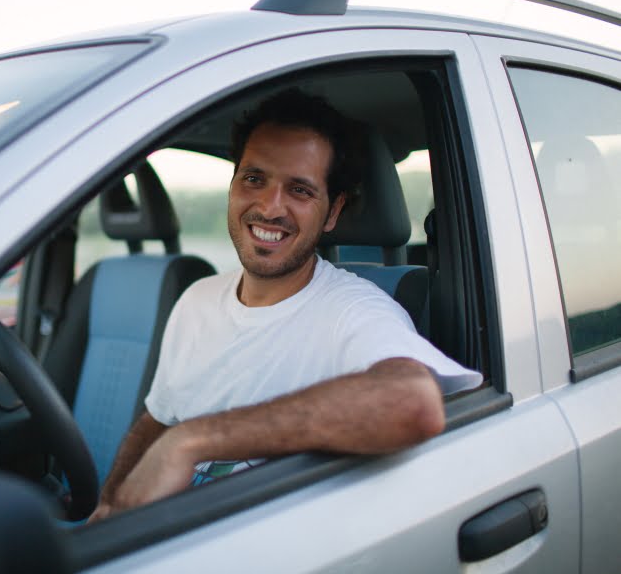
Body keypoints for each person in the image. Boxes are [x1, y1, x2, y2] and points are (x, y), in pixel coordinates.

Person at [88, 89, 482, 523]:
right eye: (254, 179)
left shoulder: (353, 310)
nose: (270, 208)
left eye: (299, 189)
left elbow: (414, 403)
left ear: (332, 213)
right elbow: (157, 418)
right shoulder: (195, 300)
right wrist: (109, 507)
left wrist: (193, 440)